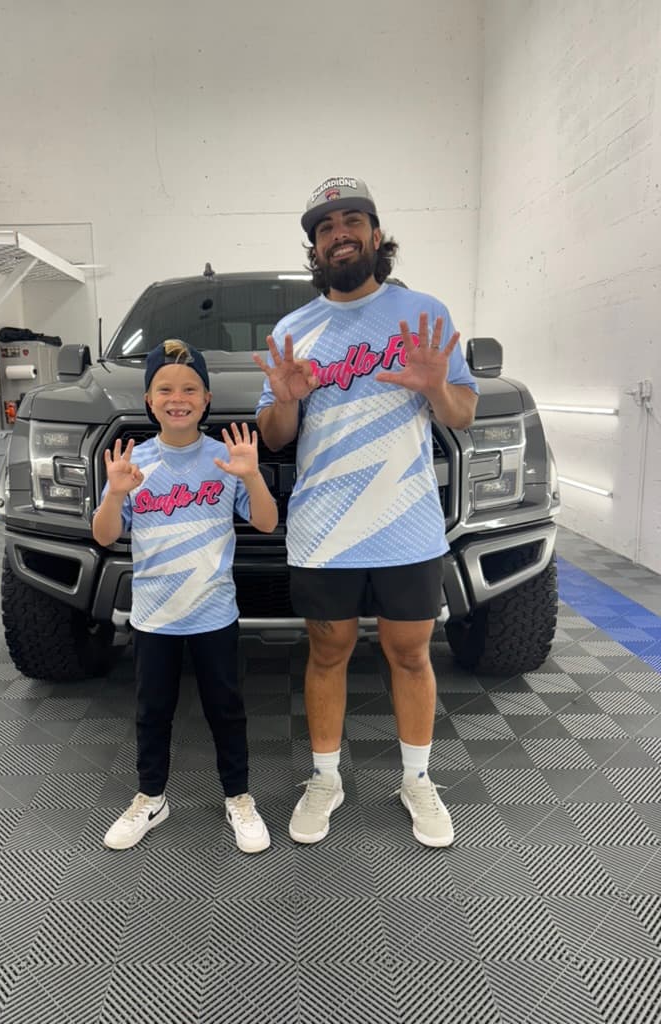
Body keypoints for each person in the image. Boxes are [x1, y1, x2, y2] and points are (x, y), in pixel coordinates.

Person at [254, 177, 479, 848]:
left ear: (377, 236)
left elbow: (463, 415)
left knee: (410, 653)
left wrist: (437, 384)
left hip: (408, 522)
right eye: (326, 227)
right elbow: (273, 436)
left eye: (353, 220)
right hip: (325, 529)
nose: (340, 232)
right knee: (328, 651)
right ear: (315, 247)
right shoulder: (294, 331)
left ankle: (417, 779)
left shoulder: (424, 314)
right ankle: (325, 779)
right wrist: (287, 398)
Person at [93, 338, 278, 854]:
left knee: (227, 709)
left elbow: (266, 522)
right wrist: (114, 494)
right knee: (153, 711)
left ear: (207, 398)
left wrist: (253, 476)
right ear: (149, 401)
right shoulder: (133, 465)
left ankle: (238, 797)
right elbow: (105, 535)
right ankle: (151, 797)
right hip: (154, 617)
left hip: (214, 612)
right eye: (165, 389)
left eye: (190, 388)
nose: (179, 397)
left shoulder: (225, 459)